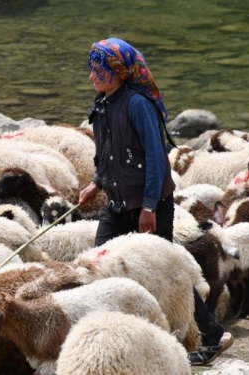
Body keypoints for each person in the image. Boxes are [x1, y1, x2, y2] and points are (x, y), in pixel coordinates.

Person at [78, 37, 233, 366]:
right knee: (96, 268)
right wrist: (96, 182)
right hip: (117, 204)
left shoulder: (137, 104)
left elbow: (156, 158)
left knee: (164, 274)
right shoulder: (103, 102)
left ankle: (212, 335)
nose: (92, 76)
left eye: (97, 70)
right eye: (92, 70)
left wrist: (149, 207)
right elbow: (107, 153)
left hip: (147, 205)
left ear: (116, 72)